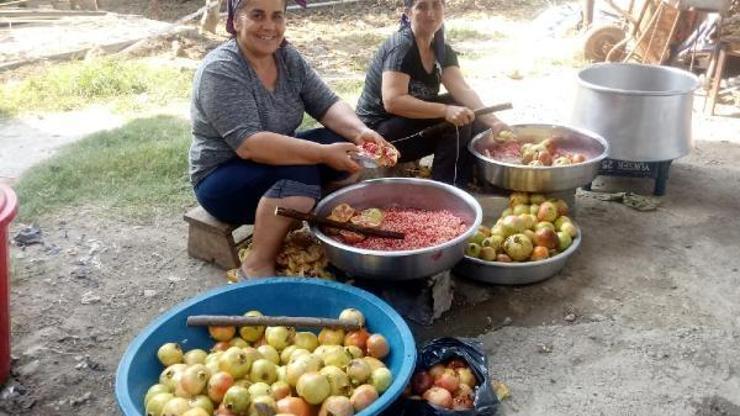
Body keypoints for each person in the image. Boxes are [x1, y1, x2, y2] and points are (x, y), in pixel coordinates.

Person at [189, 0, 394, 278]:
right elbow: (251, 145)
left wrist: (360, 133)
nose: (269, 26)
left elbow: (326, 103)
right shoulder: (221, 69)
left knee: (342, 143)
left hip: (267, 163)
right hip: (222, 177)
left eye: (277, 16)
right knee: (302, 172)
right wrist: (321, 154)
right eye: (257, 15)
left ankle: (315, 218)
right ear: (236, 21)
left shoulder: (287, 57)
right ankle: (257, 262)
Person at [356, 0, 510, 187]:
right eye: (422, 6)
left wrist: (494, 121)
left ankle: (475, 178)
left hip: (408, 124)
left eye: (436, 5)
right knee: (454, 123)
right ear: (408, 12)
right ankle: (448, 188)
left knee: (472, 115)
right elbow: (393, 101)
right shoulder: (402, 48)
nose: (431, 13)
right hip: (378, 133)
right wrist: (445, 111)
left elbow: (463, 90)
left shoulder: (441, 49)